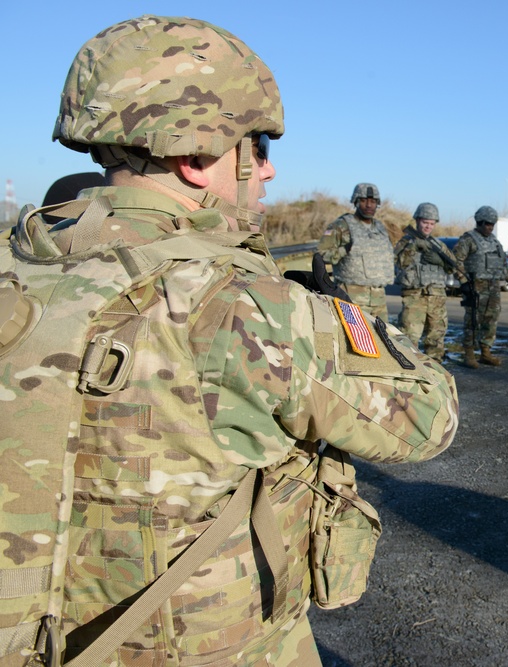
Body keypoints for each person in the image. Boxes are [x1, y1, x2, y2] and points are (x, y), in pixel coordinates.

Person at [0, 16, 458, 667]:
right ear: (195, 157)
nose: (268, 172)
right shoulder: (239, 306)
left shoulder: (15, 266)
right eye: (259, 147)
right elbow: (429, 415)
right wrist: (327, 317)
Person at [318, 182, 395, 320]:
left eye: (373, 201)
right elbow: (322, 254)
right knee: (352, 339)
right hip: (351, 295)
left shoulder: (380, 228)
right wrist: (344, 250)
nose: (369, 205)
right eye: (364, 200)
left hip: (378, 298)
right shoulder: (342, 225)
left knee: (382, 339)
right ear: (356, 202)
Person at [453, 205, 508, 368]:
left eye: (492, 225)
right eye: (487, 224)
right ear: (479, 222)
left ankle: (486, 352)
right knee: (473, 321)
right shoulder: (469, 239)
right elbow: (456, 262)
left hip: (494, 286)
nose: (490, 228)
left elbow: (502, 263)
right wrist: (464, 282)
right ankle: (469, 354)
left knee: (491, 319)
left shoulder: (494, 242)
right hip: (476, 286)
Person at [394, 202, 458, 362]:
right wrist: (413, 247)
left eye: (431, 223)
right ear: (417, 221)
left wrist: (441, 261)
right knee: (409, 337)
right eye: (425, 222)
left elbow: (454, 267)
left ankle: (436, 372)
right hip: (415, 297)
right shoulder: (406, 242)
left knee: (436, 338)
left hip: (436, 298)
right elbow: (399, 262)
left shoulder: (439, 245)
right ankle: (410, 373)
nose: (428, 227)